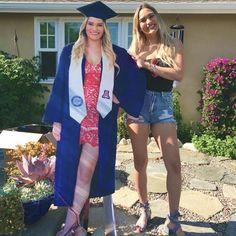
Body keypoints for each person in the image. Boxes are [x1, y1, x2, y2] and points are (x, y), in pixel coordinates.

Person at [42, 1, 146, 235]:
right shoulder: (71, 50)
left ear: (104, 28)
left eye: (100, 24)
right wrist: (56, 120)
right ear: (84, 25)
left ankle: (71, 225)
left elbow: (136, 77)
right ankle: (76, 225)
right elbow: (60, 86)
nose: (95, 28)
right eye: (91, 23)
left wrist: (120, 97)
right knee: (69, 172)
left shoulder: (114, 53)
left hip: (98, 123)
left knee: (84, 173)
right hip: (72, 121)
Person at [127, 3, 184, 236]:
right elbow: (127, 78)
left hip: (162, 105)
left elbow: (178, 73)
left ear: (157, 18)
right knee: (140, 162)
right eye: (142, 20)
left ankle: (173, 219)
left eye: (151, 16)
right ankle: (145, 209)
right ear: (138, 25)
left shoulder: (173, 43)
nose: (148, 22)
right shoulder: (136, 46)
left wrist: (148, 65)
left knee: (174, 163)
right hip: (138, 106)